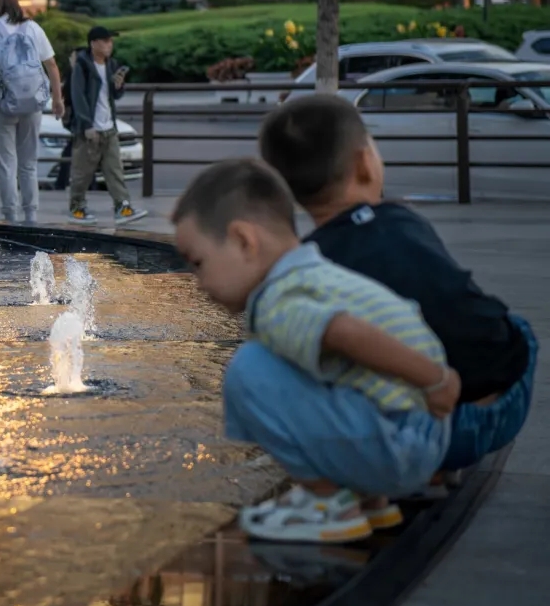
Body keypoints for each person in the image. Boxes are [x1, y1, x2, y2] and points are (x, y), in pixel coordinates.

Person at [173, 159, 457, 543]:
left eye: (198, 263)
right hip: (420, 438)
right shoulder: (317, 275)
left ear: (244, 241)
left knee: (250, 369)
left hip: (400, 441)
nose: (198, 283)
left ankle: (325, 503)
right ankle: (369, 498)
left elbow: (346, 332)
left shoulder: (279, 298)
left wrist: (437, 380)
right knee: (301, 365)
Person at [258, 94, 536, 473]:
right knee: (519, 328)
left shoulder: (310, 263)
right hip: (503, 403)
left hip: (415, 434)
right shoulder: (403, 220)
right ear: (364, 165)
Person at [0, 0, 64, 224]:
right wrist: (57, 98)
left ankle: (11, 216)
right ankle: (31, 215)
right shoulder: (32, 27)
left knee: (5, 162)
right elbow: (51, 65)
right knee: (28, 161)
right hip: (32, 103)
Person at [67, 26, 147, 224]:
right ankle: (77, 208)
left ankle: (123, 207)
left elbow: (114, 95)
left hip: (109, 127)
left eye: (110, 41)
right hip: (89, 129)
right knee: (82, 172)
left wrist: (118, 85)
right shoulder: (83, 66)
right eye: (104, 41)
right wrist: (86, 125)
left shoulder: (112, 65)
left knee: (114, 170)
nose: (109, 45)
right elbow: (78, 97)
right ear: (93, 43)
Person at [54, 47, 81, 192]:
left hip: (76, 118)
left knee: (73, 151)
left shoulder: (75, 72)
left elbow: (68, 94)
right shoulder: (76, 73)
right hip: (77, 118)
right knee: (79, 151)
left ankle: (61, 181)